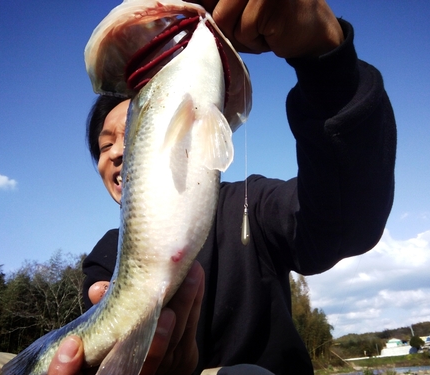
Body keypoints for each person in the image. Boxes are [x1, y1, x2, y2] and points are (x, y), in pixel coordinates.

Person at [47, 0, 397, 374]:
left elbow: (347, 223)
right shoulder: (104, 254)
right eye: (104, 146)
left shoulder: (253, 205)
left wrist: (325, 60)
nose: (117, 153)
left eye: (130, 135)